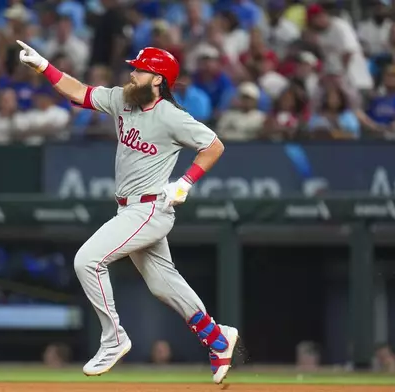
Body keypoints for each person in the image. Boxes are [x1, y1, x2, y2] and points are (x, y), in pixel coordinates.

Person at [16, 41, 239, 385]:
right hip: (130, 206)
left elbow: (214, 146)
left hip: (150, 207)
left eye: (139, 70)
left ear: (157, 80)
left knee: (87, 260)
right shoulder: (124, 99)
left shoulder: (171, 116)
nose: (132, 74)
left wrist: (185, 182)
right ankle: (217, 338)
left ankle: (114, 338)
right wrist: (44, 65)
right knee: (164, 284)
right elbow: (81, 93)